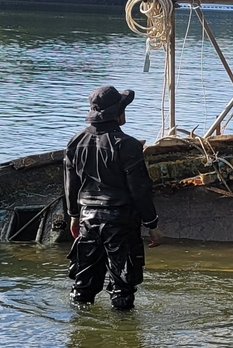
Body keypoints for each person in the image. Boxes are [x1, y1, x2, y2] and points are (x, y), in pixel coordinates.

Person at [64, 86, 162, 310]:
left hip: (88, 219)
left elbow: (70, 185)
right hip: (121, 222)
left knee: (82, 286)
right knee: (123, 286)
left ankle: (80, 337)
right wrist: (152, 224)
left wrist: (73, 216)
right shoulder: (127, 145)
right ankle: (125, 336)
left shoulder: (75, 142)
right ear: (118, 113)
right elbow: (139, 189)